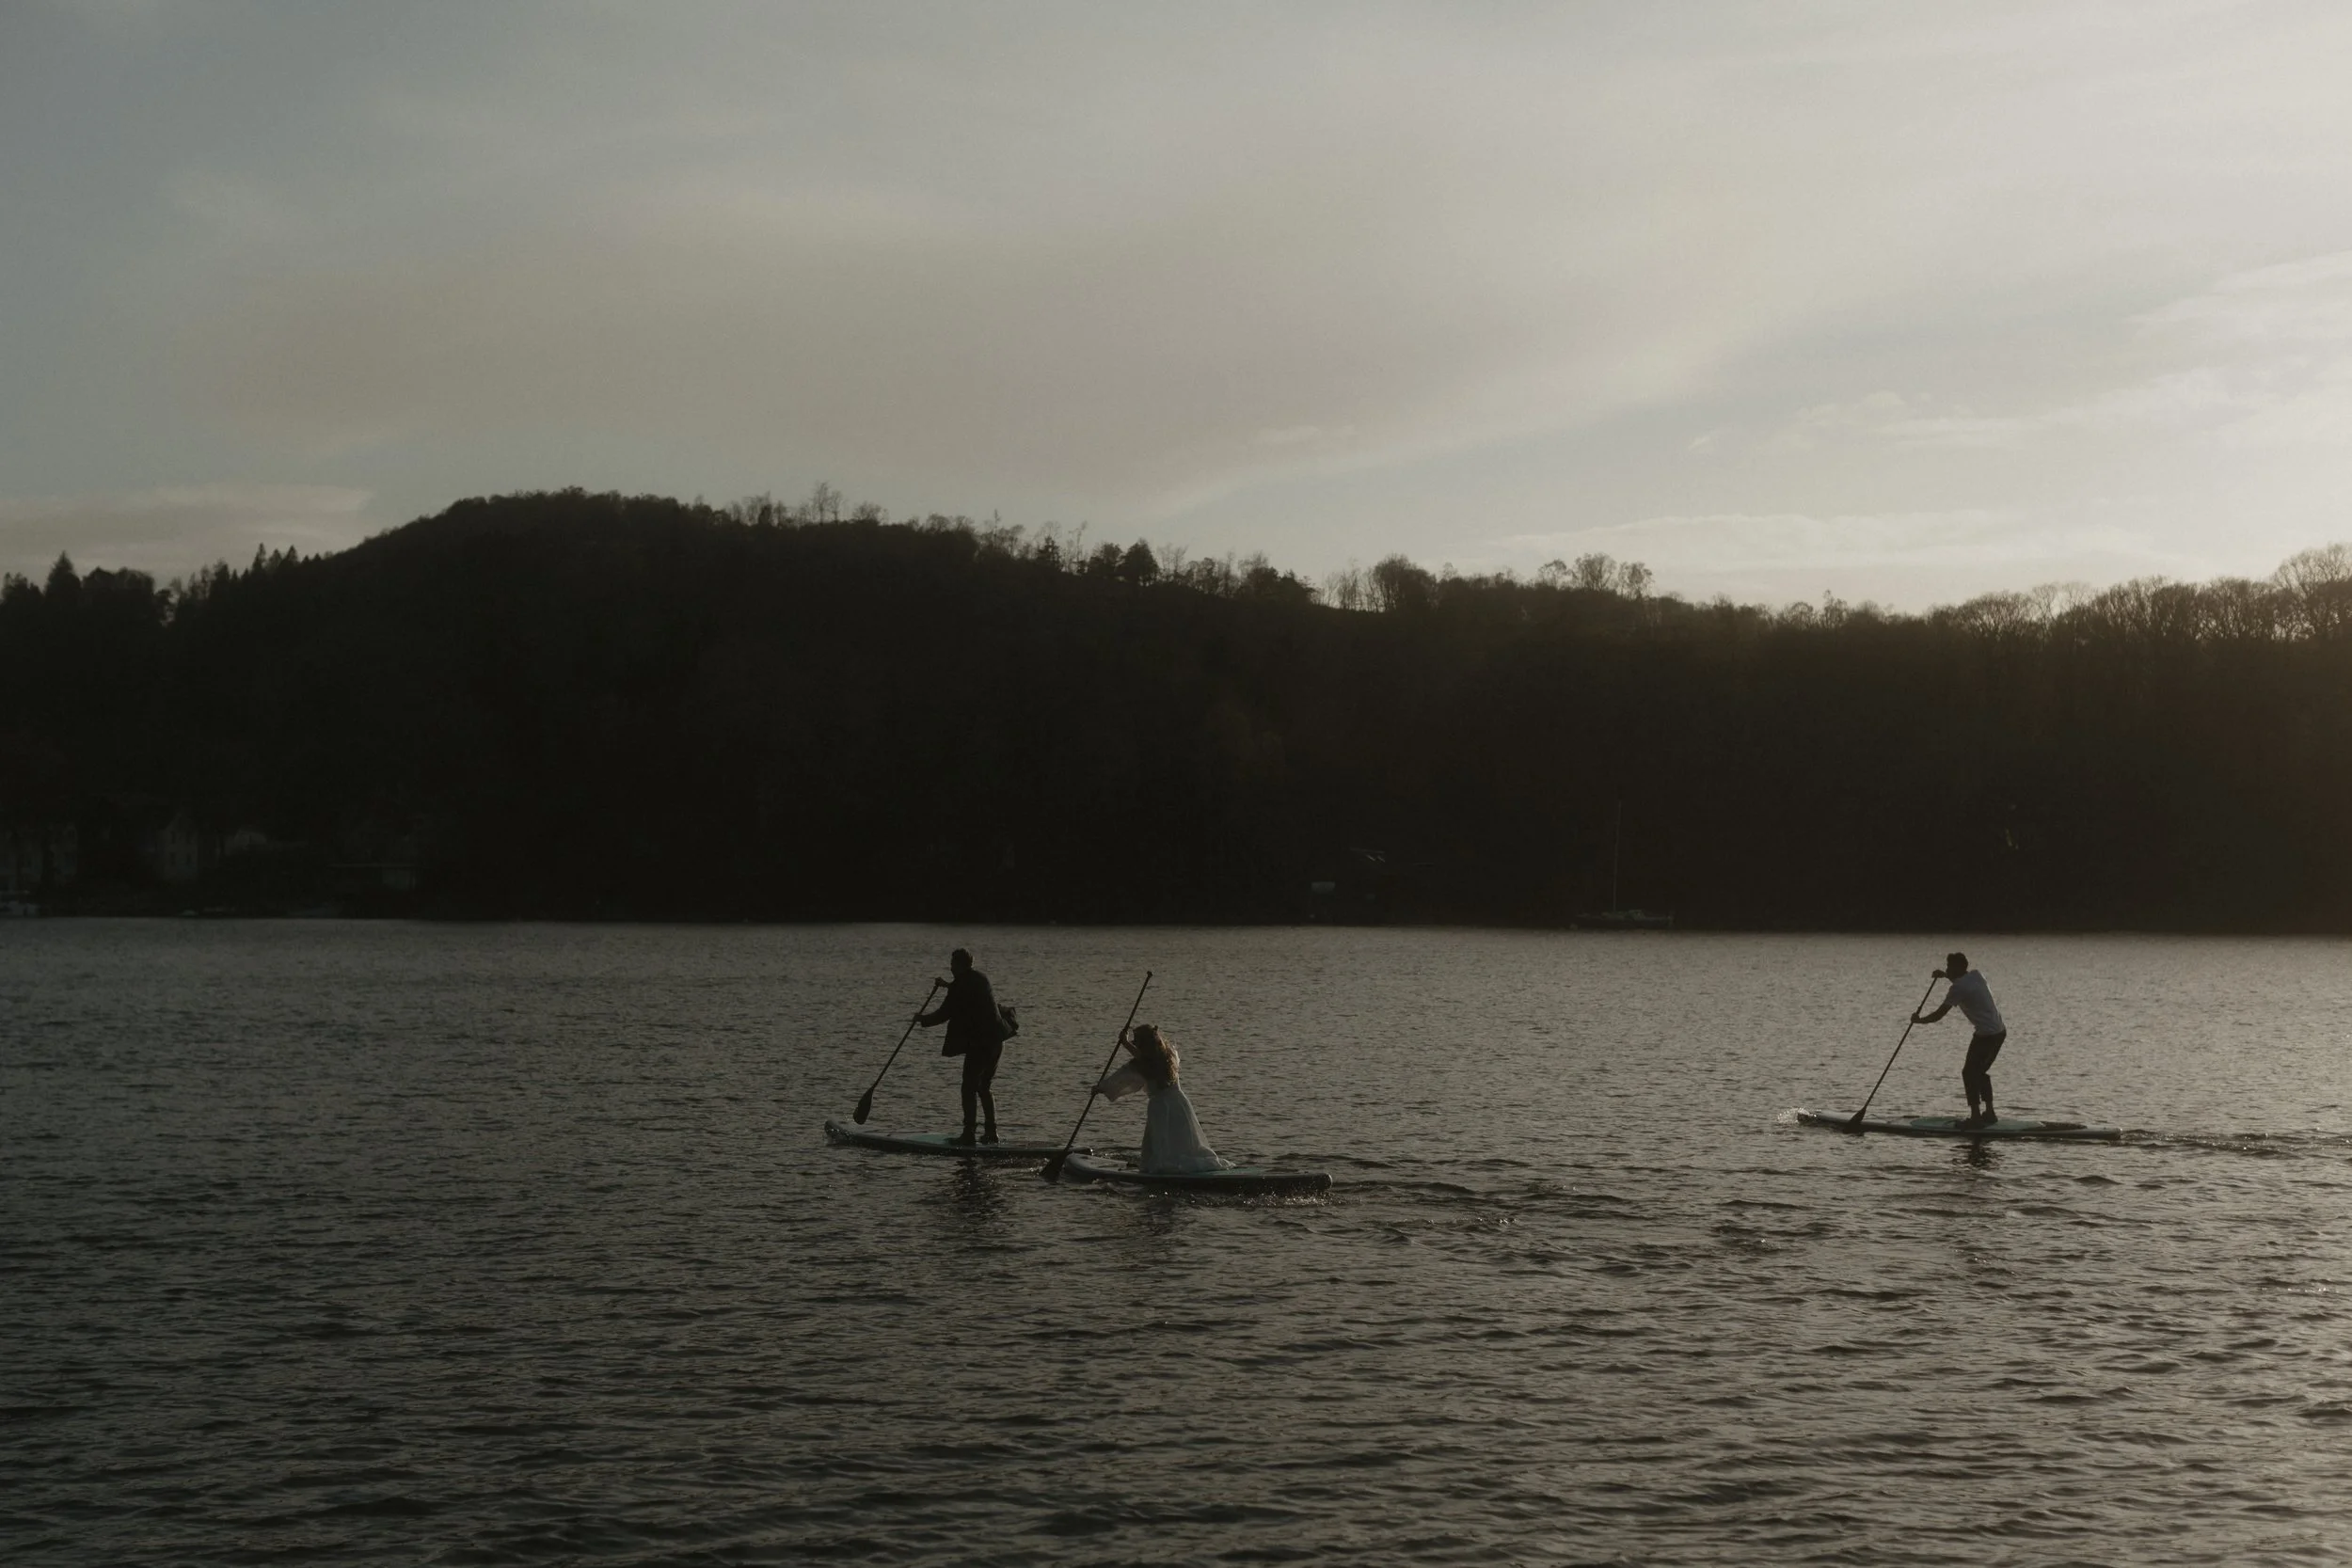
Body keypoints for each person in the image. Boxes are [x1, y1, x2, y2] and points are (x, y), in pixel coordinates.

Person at [1091, 1023, 1232, 1175]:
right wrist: (1127, 1045)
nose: (1134, 1044)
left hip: (1160, 1107)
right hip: (1179, 1102)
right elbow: (1147, 1057)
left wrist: (1101, 1087)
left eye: (1136, 1041)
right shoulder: (1170, 1055)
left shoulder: (1141, 1064)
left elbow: (1123, 1076)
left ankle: (1162, 1170)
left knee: (1161, 1144)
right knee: (1182, 1139)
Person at [914, 948, 1010, 1145]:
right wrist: (948, 985)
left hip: (981, 1044)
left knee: (969, 1086)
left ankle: (968, 1134)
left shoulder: (961, 985)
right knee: (984, 1086)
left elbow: (944, 1013)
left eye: (952, 964)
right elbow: (966, 992)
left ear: (959, 965)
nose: (950, 968)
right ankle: (991, 1133)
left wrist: (922, 1019)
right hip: (997, 1040)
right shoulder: (980, 978)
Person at [1913, 951, 2008, 1128]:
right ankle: (1989, 1113)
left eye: (1949, 966)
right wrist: (1945, 975)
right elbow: (1962, 982)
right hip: (2000, 1032)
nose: (1948, 969)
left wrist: (1919, 1021)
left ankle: (1975, 1117)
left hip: (1986, 1036)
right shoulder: (1976, 975)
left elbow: (1939, 1015)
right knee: (1979, 1072)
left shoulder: (1957, 989)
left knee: (1969, 1073)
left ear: (1957, 967)